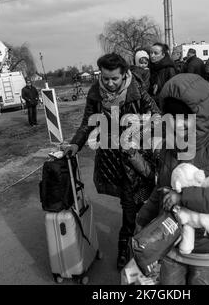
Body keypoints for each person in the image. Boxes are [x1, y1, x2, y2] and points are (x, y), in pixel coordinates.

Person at [136, 73, 209, 285]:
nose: (178, 123)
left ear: (201, 115)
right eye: (172, 116)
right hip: (170, 243)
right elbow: (161, 190)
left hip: (207, 249)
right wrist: (142, 220)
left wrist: (183, 197)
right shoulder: (170, 146)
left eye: (186, 116)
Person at [61, 53, 160, 270]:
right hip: (114, 161)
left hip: (139, 157)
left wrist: (137, 136)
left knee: (145, 204)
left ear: (124, 74)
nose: (109, 83)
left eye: (114, 78)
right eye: (105, 78)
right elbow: (88, 122)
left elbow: (156, 117)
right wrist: (76, 144)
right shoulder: (96, 92)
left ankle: (149, 249)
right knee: (129, 206)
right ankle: (125, 249)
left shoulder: (137, 89)